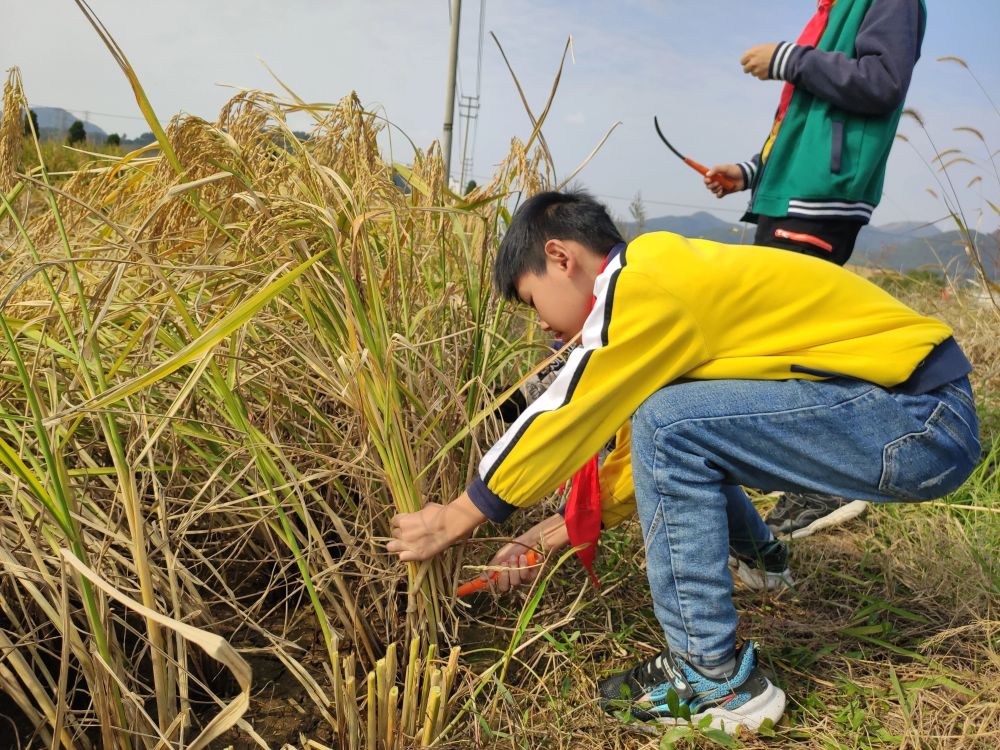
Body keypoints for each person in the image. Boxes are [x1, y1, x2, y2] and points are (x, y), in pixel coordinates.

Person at [385, 191, 979, 733]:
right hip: (911, 413)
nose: (539, 321)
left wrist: (457, 515)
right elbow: (638, 465)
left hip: (913, 417)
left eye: (531, 299)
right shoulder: (663, 284)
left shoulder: (642, 283)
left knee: (668, 423)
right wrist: (543, 537)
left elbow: (569, 412)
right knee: (680, 424)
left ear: (561, 257)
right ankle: (762, 561)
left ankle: (713, 680)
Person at [704, 0, 928, 539]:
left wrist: (788, 58)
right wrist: (749, 172)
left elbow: (882, 82)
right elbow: (805, 121)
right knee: (772, 338)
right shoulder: (836, 7)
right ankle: (805, 470)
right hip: (791, 192)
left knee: (783, 340)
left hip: (819, 197)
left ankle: (829, 478)